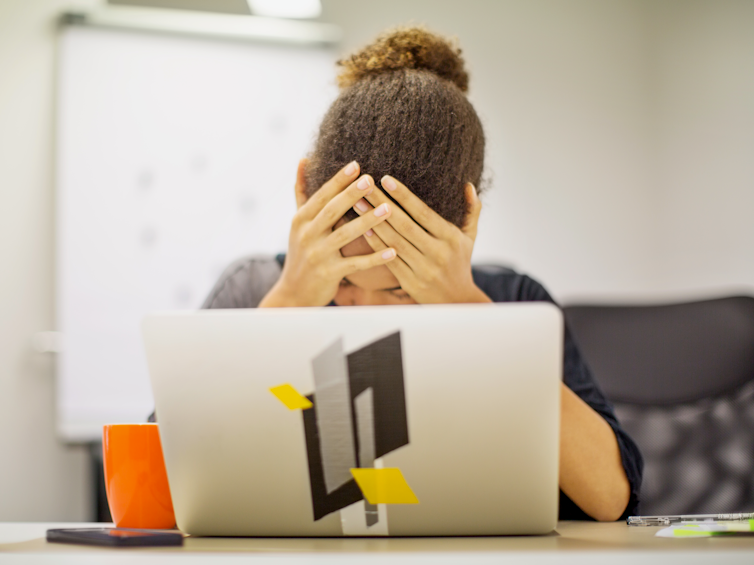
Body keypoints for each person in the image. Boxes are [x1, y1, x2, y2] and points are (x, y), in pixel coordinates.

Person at [178, 27, 643, 522]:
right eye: (344, 278)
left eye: (402, 288)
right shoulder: (252, 292)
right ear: (303, 193)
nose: (370, 310)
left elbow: (609, 497)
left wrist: (471, 313)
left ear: (465, 225)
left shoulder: (510, 300)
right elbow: (162, 493)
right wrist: (290, 299)